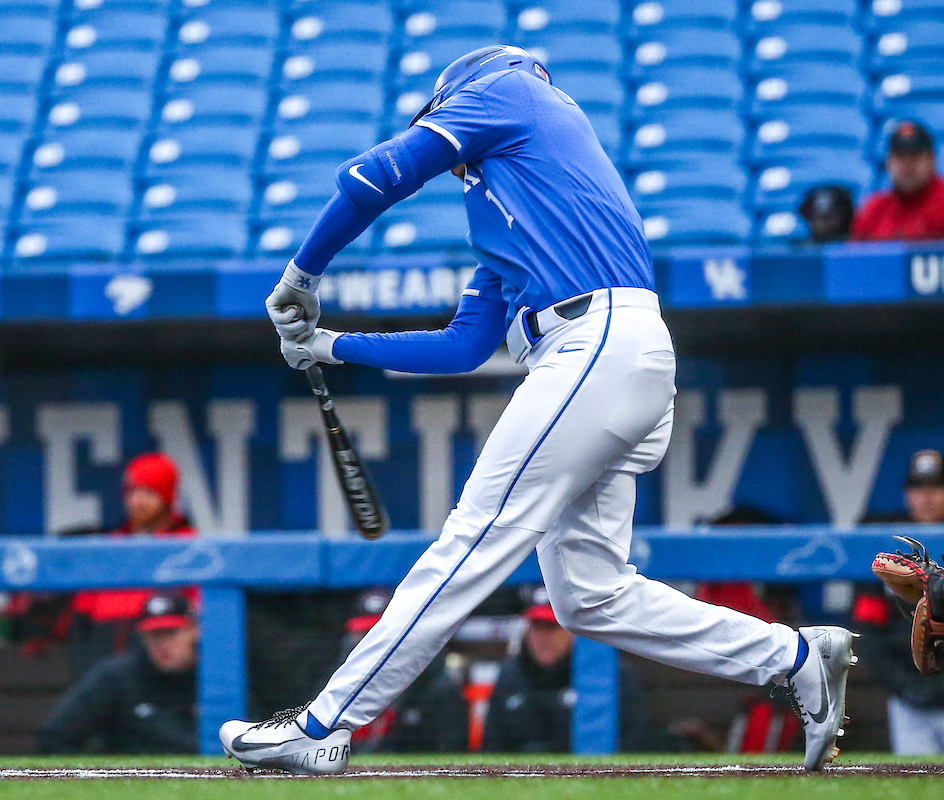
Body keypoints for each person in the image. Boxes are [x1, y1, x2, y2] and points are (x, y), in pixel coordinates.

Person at [219, 44, 856, 775]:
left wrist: (302, 272)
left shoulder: (510, 90)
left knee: (474, 537)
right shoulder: (523, 202)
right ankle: (797, 656)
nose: (458, 167)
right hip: (615, 352)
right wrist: (332, 346)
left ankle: (325, 724)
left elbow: (371, 177)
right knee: (591, 595)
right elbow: (464, 347)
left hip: (594, 344)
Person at [63, 453, 196, 678]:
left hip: (158, 661)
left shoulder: (188, 545)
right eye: (132, 492)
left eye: (149, 493)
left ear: (167, 498)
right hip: (103, 656)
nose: (138, 501)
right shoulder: (111, 547)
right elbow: (81, 621)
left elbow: (198, 616)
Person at [482, 590, 658, 753]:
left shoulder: (609, 675)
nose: (543, 638)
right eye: (537, 626)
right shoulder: (511, 675)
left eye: (552, 627)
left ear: (572, 632)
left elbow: (633, 743)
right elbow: (492, 745)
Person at [37, 592, 198, 754]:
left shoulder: (212, 678)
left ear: (194, 632)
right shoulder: (117, 677)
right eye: (154, 635)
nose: (162, 644)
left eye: (171, 633)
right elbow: (57, 735)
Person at [859, 449, 944, 753]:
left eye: (935, 486)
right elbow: (868, 630)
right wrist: (905, 687)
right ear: (907, 493)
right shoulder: (889, 551)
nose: (926, 496)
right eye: (918, 487)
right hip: (908, 697)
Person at [343, 589, 468, 754]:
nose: (368, 642)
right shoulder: (341, 676)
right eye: (363, 633)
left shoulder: (431, 680)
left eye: (375, 634)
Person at [851, 120, 944, 242]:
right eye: (900, 156)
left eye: (914, 156)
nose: (907, 164)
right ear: (888, 162)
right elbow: (855, 258)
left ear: (932, 159)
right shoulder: (874, 210)